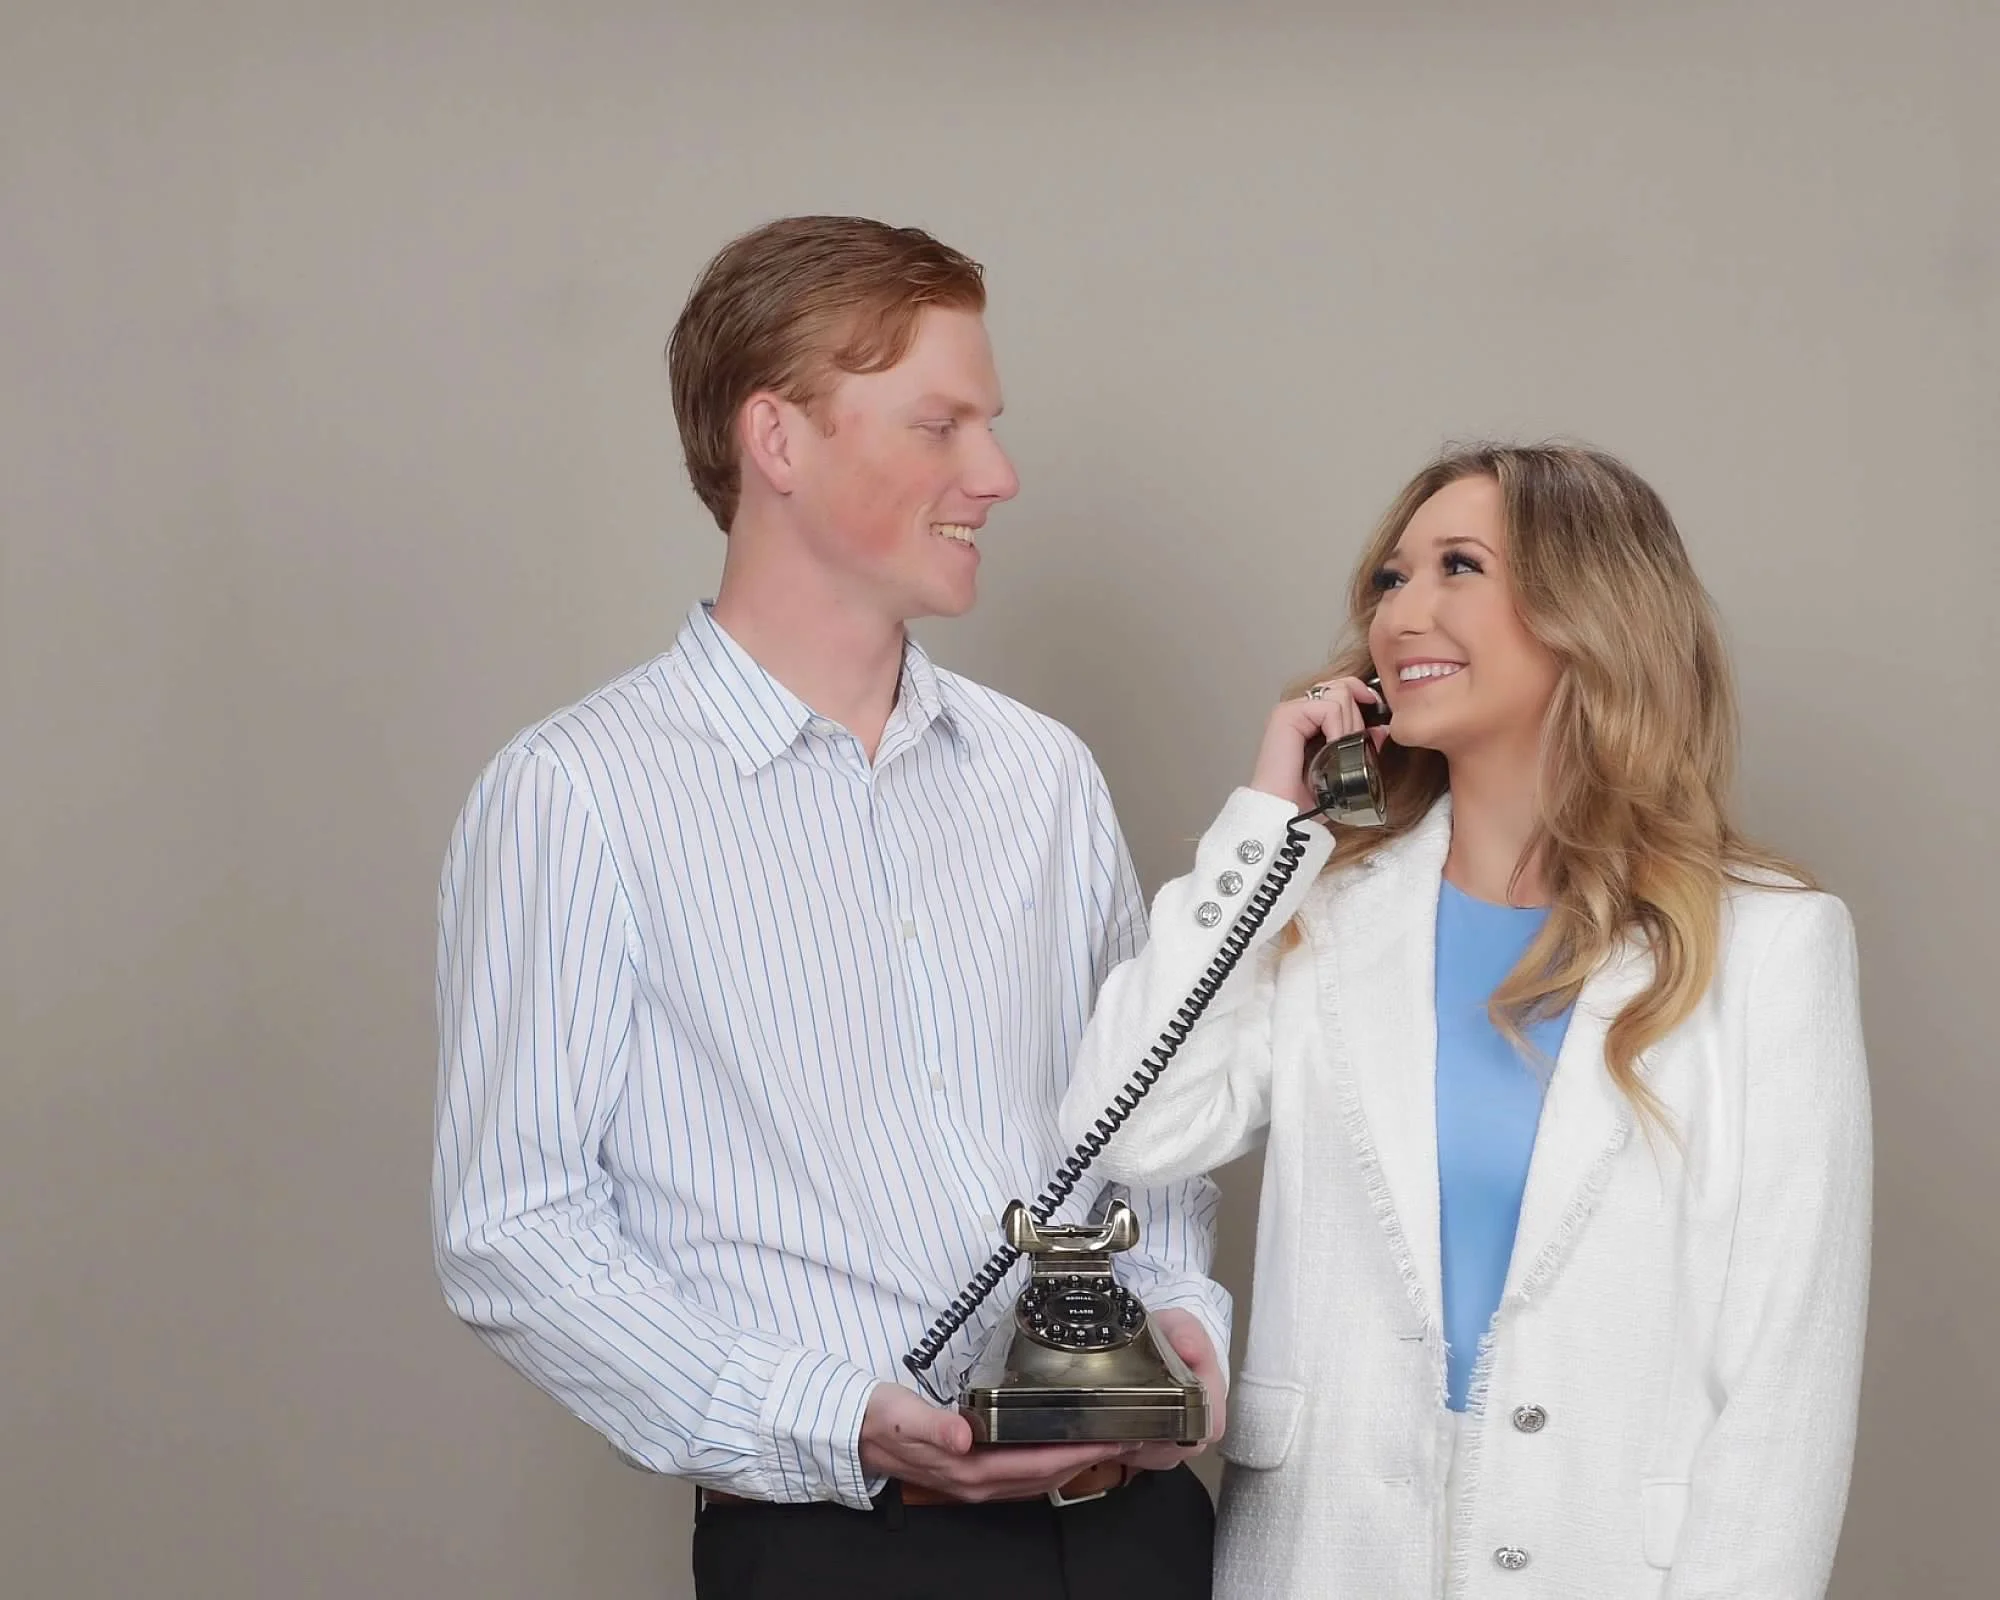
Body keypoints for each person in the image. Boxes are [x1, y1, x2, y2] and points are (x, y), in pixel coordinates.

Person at [431, 215, 1230, 1600]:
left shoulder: (1042, 774)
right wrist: (829, 1418)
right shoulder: (575, 795)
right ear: (777, 441)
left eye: (990, 425)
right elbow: (516, 1225)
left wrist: (1175, 1321)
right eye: (940, 425)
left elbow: (1143, 1125)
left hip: (1139, 1540)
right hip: (840, 1555)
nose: (997, 473)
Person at [1058, 443, 1872, 1598]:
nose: (1400, 614)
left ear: (1591, 610)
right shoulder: (1321, 912)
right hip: (1320, 1561)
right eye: (1391, 578)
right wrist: (1263, 826)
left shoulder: (1771, 944)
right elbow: (1128, 1128)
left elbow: (1787, 1380)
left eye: (1458, 566)